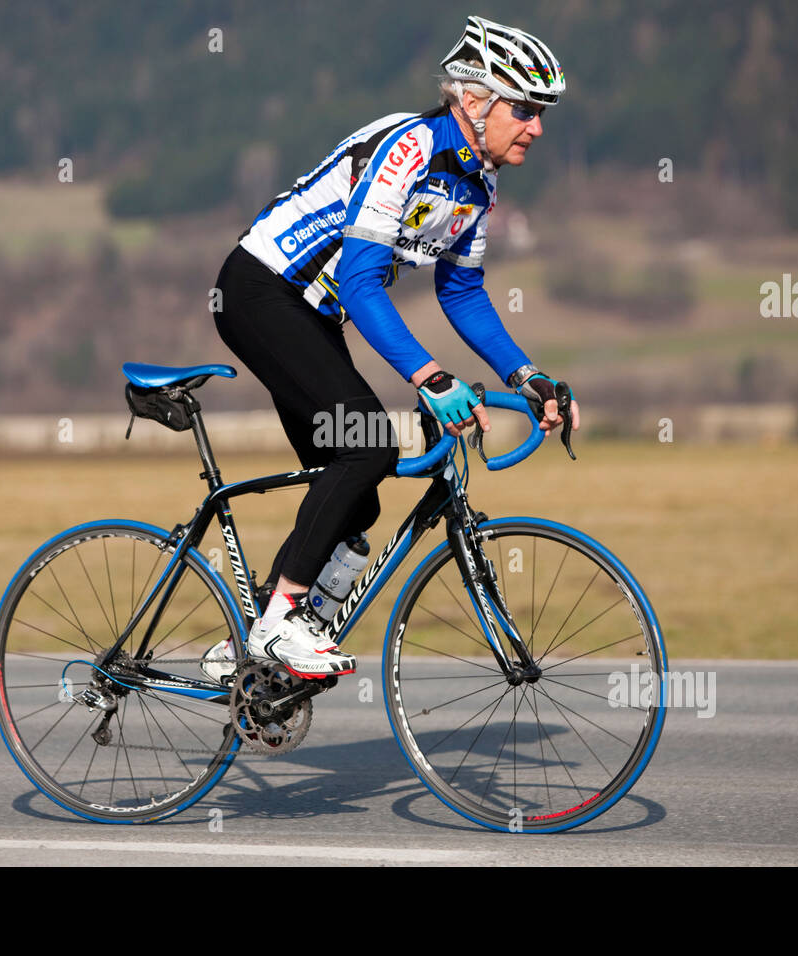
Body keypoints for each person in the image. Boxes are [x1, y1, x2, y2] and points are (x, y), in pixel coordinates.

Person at [205, 15, 580, 682]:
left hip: (312, 316)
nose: (537, 128)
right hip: (260, 291)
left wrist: (529, 377)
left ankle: (247, 652)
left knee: (360, 494)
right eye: (524, 109)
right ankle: (278, 626)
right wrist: (431, 376)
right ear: (474, 100)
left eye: (542, 112)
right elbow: (360, 279)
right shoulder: (408, 147)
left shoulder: (478, 186)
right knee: (370, 447)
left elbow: (462, 292)